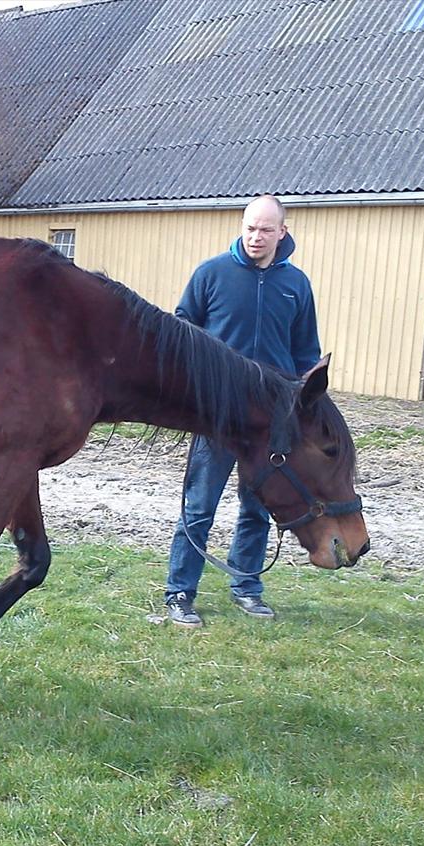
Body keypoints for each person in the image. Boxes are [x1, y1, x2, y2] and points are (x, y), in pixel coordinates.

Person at [165, 195, 321, 626]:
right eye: (250, 227)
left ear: (282, 233)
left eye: (266, 229)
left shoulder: (296, 284)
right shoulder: (211, 274)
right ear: (242, 227)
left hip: (269, 424)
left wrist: (301, 405)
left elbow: (305, 351)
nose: (256, 236)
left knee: (257, 509)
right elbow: (182, 334)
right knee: (199, 508)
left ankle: (247, 587)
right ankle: (179, 592)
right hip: (216, 416)